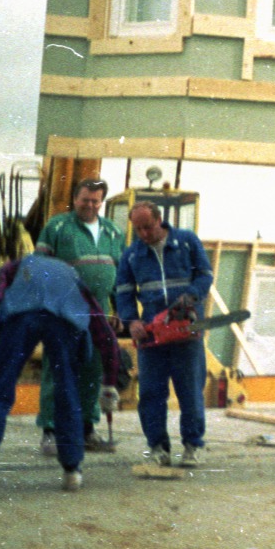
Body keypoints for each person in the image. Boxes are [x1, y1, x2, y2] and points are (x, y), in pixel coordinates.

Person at [0, 254, 120, 501]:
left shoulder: (17, 266)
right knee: (67, 390)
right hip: (65, 320)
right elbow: (105, 334)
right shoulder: (73, 277)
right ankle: (72, 471)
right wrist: (109, 383)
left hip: (20, 315)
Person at [114, 201, 214, 468]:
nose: (144, 234)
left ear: (159, 220)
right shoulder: (132, 255)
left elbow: (205, 275)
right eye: (138, 229)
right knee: (150, 393)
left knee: (190, 390)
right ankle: (157, 446)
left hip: (187, 331)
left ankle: (192, 445)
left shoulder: (187, 242)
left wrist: (191, 296)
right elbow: (123, 292)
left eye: (147, 227)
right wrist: (131, 320)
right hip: (151, 334)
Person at [33, 177, 123, 456]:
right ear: (75, 198)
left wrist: (119, 310)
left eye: (96, 200)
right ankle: (50, 431)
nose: (90, 205)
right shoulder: (57, 227)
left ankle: (86, 429)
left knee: (92, 371)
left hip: (100, 314)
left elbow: (119, 276)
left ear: (102, 201)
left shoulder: (113, 232)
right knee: (58, 369)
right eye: (85, 199)